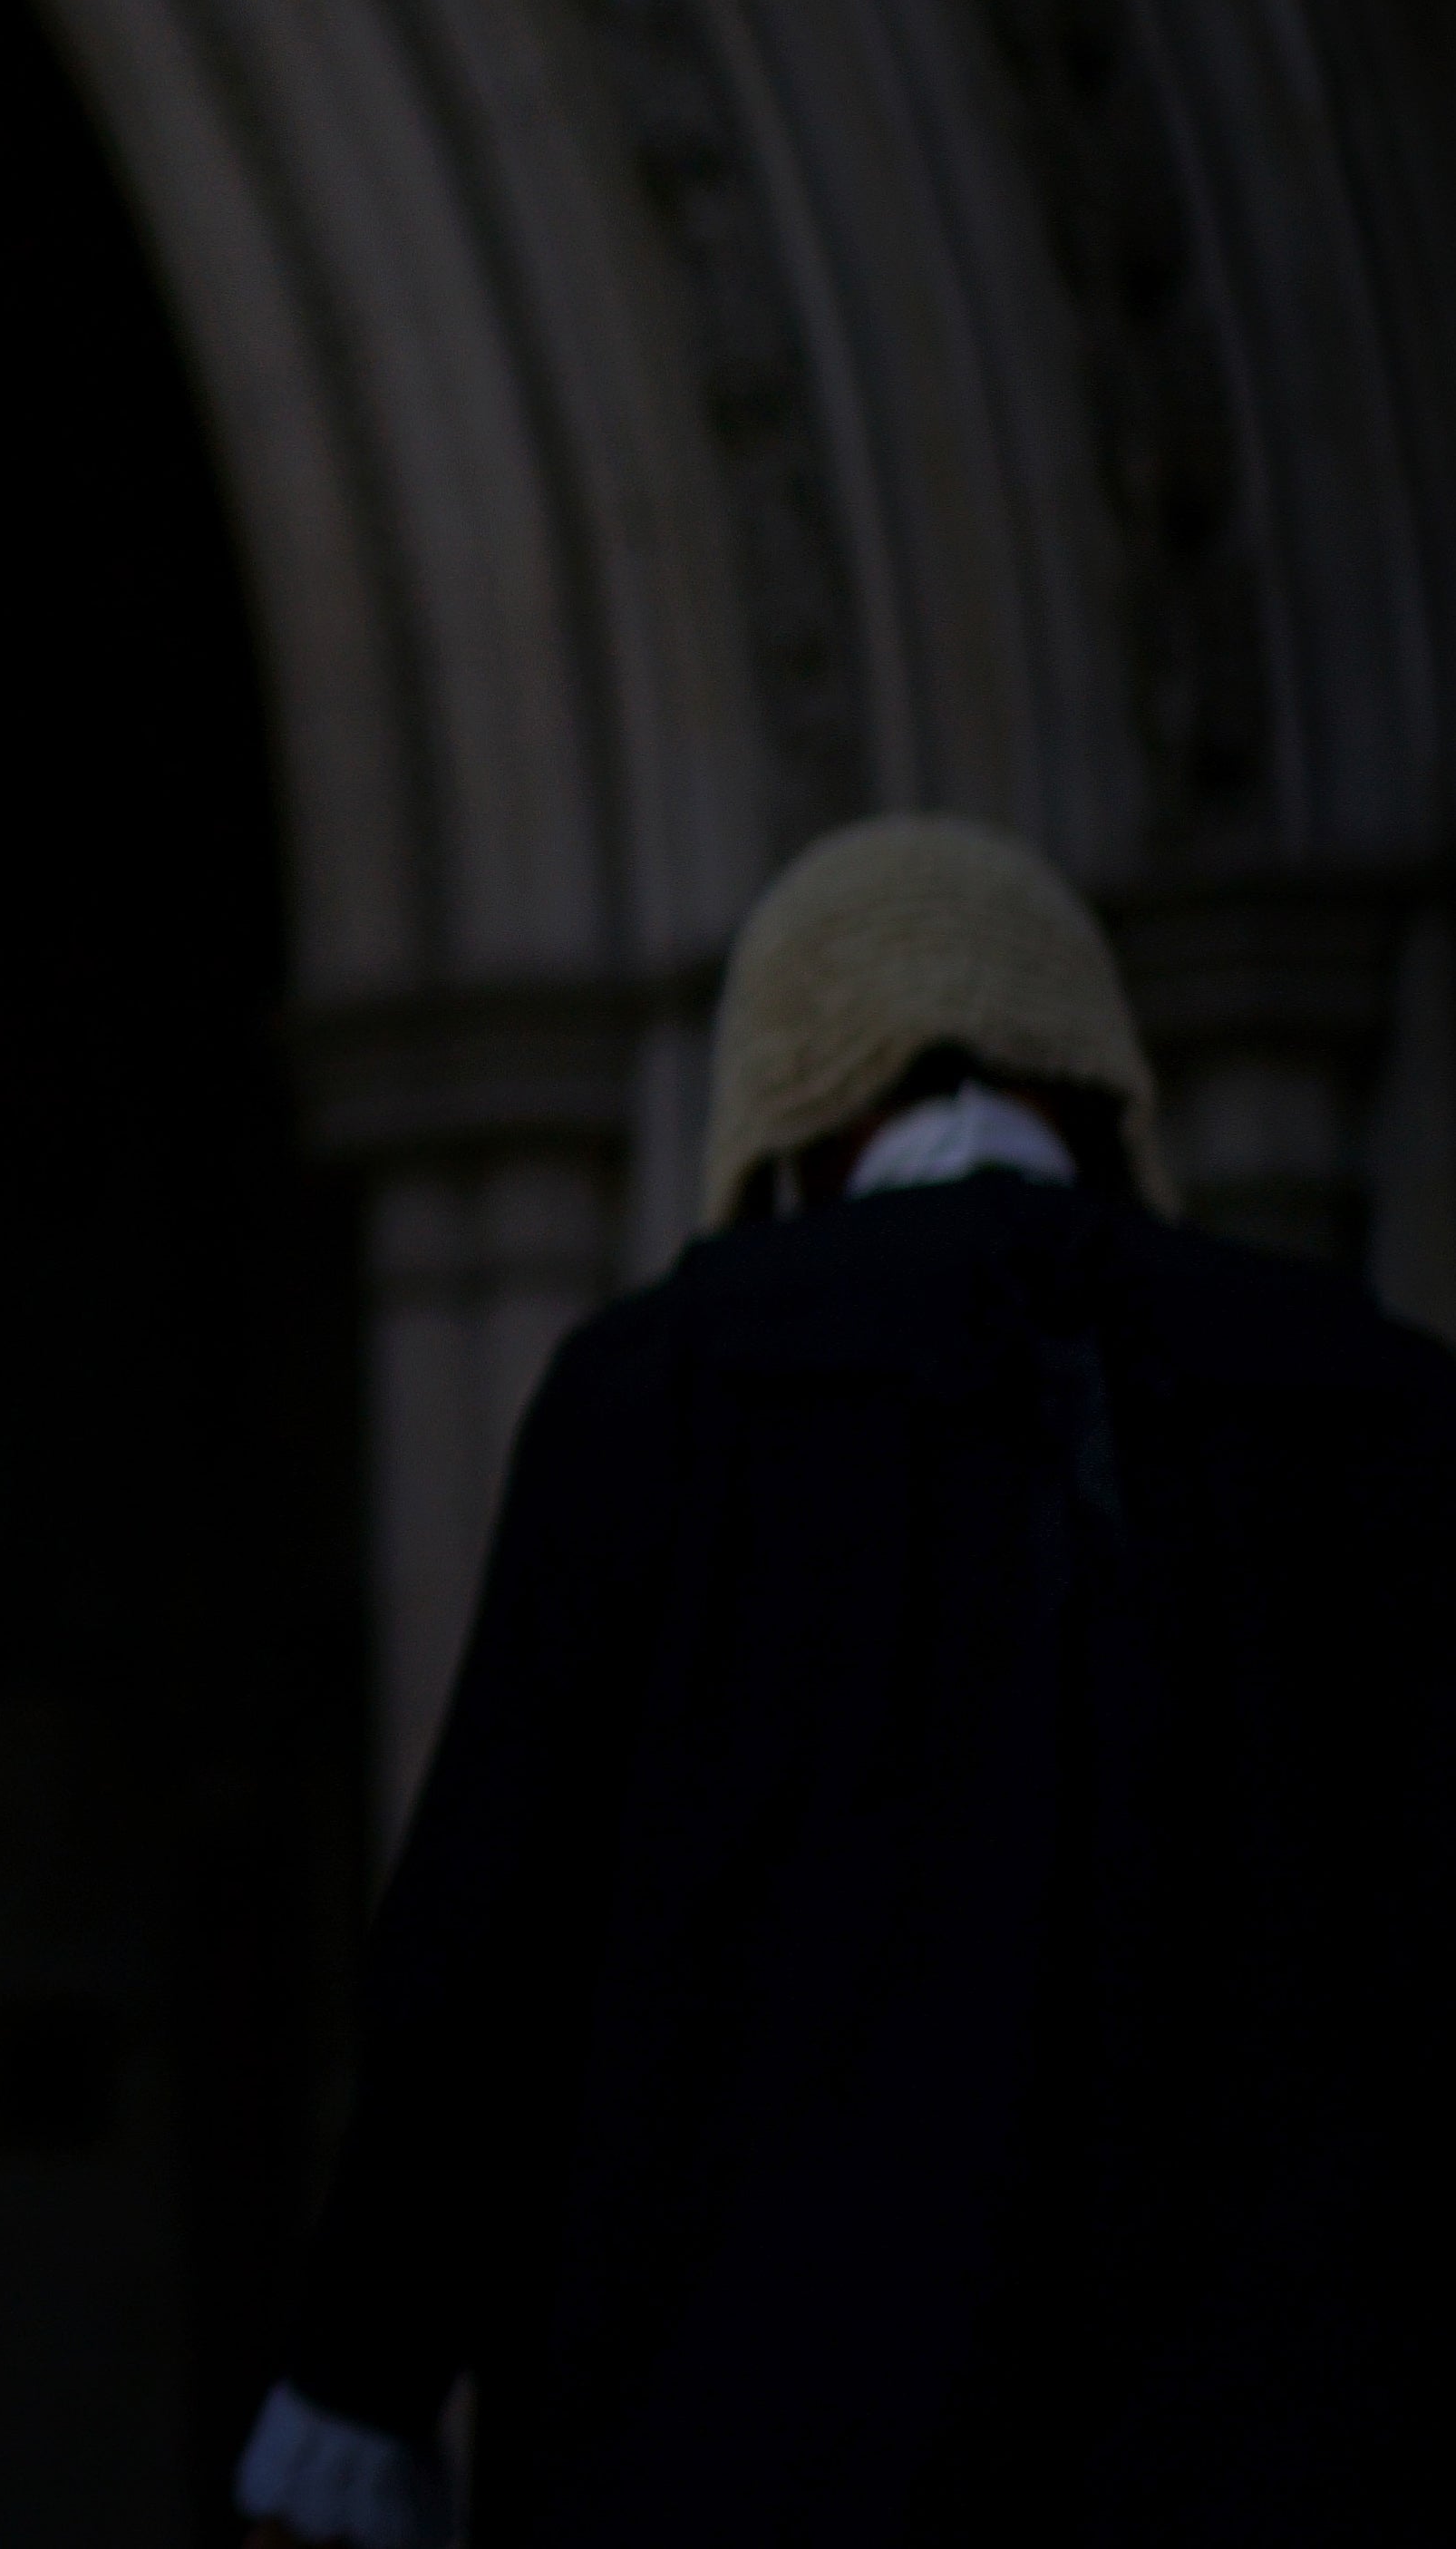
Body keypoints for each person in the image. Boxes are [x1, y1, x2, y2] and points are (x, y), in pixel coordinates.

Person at [235, 815, 1456, 2545]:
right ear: (1105, 1098)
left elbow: (480, 1964)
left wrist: (355, 2391)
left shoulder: (659, 1393)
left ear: (790, 1125)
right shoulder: (1373, 1403)